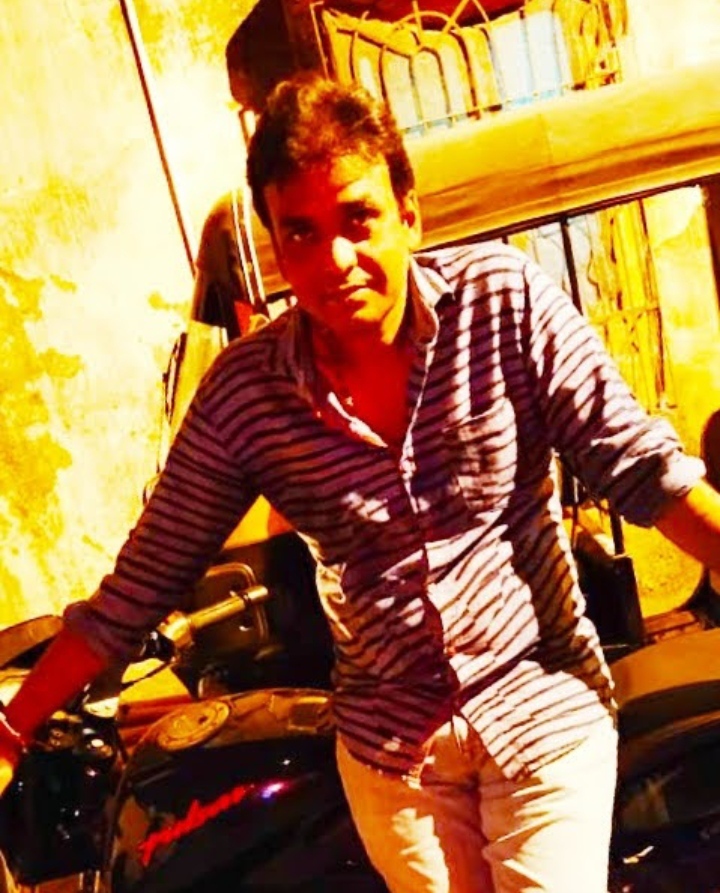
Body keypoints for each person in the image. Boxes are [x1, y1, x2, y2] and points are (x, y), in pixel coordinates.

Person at [2, 73, 720, 893]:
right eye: (301, 233)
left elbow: (650, 475)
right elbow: (138, 587)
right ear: (278, 247)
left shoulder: (505, 304)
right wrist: (11, 730)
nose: (335, 260)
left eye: (357, 219)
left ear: (408, 214)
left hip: (541, 708)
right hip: (395, 753)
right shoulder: (246, 394)